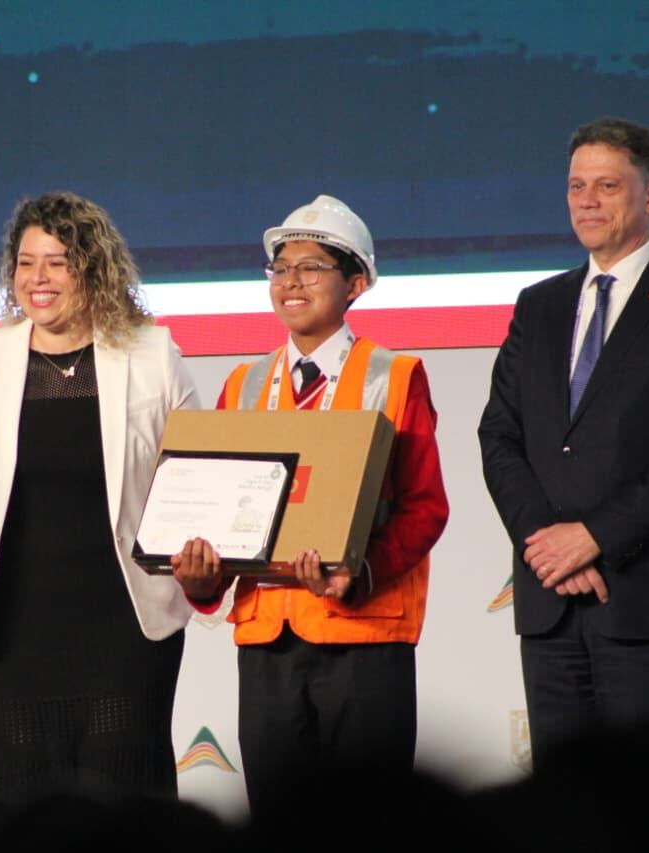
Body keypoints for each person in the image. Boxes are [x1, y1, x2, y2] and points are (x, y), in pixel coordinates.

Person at [477, 117, 649, 766]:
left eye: (606, 185)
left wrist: (593, 536)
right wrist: (547, 544)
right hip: (551, 608)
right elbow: (500, 434)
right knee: (565, 814)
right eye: (576, 187)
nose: (587, 201)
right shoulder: (537, 304)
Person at [0, 191, 198, 804]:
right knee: (24, 799)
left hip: (127, 621)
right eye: (24, 262)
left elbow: (194, 477)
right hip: (15, 624)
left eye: (57, 261)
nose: (36, 279)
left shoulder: (153, 354)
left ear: (93, 268)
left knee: (124, 795)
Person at [171, 195, 448, 815]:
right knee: (278, 821)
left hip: (363, 634)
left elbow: (425, 507)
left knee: (370, 824)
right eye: (280, 268)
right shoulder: (241, 384)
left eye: (312, 267)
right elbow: (221, 514)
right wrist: (201, 582)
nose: (291, 282)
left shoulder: (395, 375)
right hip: (270, 641)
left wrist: (363, 573)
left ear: (355, 284)